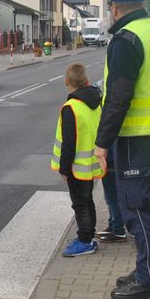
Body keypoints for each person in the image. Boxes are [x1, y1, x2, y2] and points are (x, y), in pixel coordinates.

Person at [93, 0, 150, 299]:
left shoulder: (125, 41)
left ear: (115, 8)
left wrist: (102, 143)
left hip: (136, 137)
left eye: (110, 8)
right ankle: (146, 270)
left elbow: (118, 97)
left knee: (139, 210)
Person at [51, 62, 106, 257]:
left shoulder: (70, 107)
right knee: (87, 199)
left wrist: (64, 169)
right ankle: (88, 235)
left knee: (80, 203)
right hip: (90, 164)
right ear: (87, 81)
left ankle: (85, 241)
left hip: (75, 166)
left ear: (66, 82)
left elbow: (69, 141)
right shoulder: (96, 101)